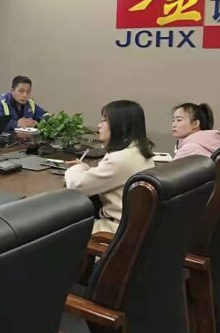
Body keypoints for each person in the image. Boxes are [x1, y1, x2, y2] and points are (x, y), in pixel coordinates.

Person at [64, 100, 155, 234]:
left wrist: (76, 168)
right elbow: (113, 176)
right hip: (131, 228)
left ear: (119, 125)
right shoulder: (137, 151)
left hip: (112, 231)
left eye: (104, 121)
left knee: (55, 230)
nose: (99, 125)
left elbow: (76, 187)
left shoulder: (121, 159)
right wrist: (87, 169)